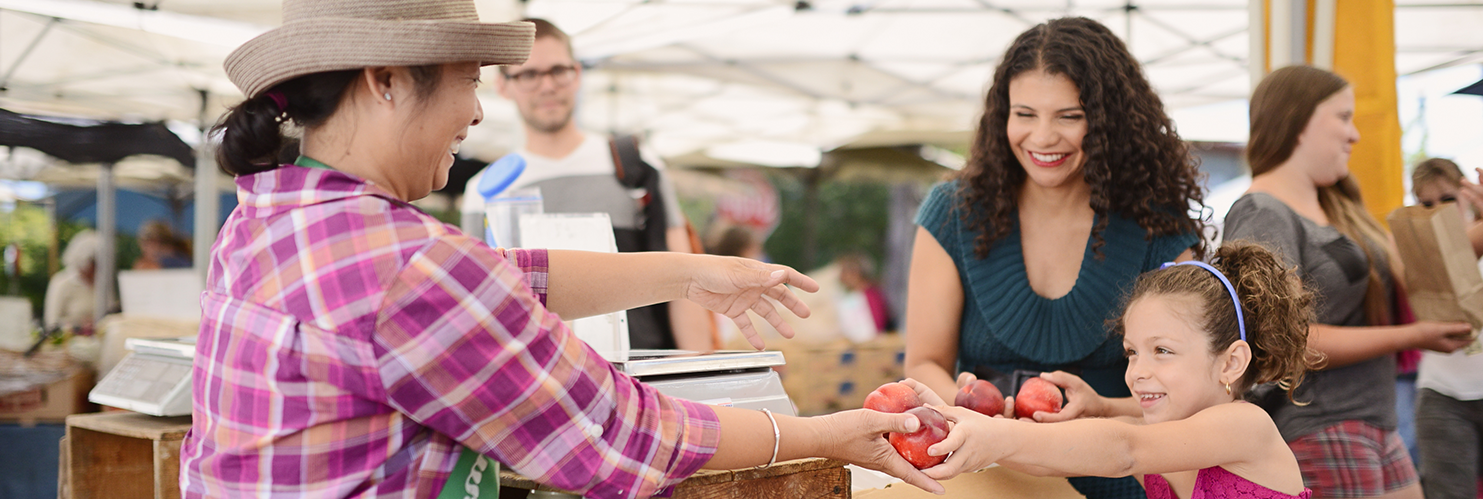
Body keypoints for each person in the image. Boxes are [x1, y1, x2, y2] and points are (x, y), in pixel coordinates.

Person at [182, 2, 945, 498]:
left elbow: (507, 276)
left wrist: (689, 272)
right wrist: (822, 433)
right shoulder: (412, 266)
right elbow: (621, 432)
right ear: (385, 81)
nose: (478, 110)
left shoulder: (264, 218)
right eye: (469, 80)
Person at [904, 16, 1206, 499]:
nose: (1042, 137)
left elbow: (1195, 385)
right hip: (987, 472)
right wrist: (970, 407)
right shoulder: (955, 213)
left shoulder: (1157, 228)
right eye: (1024, 114)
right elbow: (923, 361)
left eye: (1069, 116)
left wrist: (1107, 408)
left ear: (1109, 124)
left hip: (1118, 474)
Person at [1221, 65, 1476, 499]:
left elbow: (1417, 272)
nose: (1354, 134)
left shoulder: (1331, 205)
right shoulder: (1264, 212)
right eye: (1342, 117)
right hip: (1321, 425)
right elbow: (1286, 343)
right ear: (1297, 121)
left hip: (1372, 422)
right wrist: (1412, 335)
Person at [912, 241, 1314, 499]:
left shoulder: (1245, 426)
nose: (1137, 370)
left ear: (1231, 362)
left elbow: (1123, 450)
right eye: (1131, 352)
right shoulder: (1160, 439)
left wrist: (1001, 436)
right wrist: (972, 431)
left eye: (1162, 350)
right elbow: (1052, 460)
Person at [460, 18, 712, 352]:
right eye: (529, 74)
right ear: (503, 86)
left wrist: (696, 374)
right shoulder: (483, 192)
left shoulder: (634, 164)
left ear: (577, 74)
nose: (547, 86)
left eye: (558, 71)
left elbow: (686, 280)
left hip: (640, 375)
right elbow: (484, 307)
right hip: (544, 385)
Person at [1408, 158, 1483, 499]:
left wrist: (1481, 297)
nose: (1438, 209)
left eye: (1447, 198)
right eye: (1426, 203)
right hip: (1442, 392)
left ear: (1467, 195)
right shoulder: (1416, 251)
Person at [43, 230, 98, 332]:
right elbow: (52, 322)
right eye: (94, 262)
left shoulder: (102, 285)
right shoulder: (61, 282)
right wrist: (78, 326)